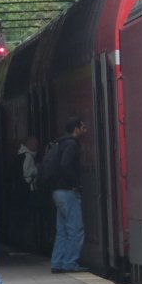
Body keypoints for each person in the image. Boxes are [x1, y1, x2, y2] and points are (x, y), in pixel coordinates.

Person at [50, 117, 87, 273]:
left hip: (57, 192)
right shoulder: (72, 144)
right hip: (68, 192)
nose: (85, 130)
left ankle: (57, 262)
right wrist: (75, 183)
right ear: (76, 129)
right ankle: (70, 263)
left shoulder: (60, 143)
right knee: (75, 229)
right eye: (83, 127)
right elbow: (66, 164)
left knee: (62, 230)